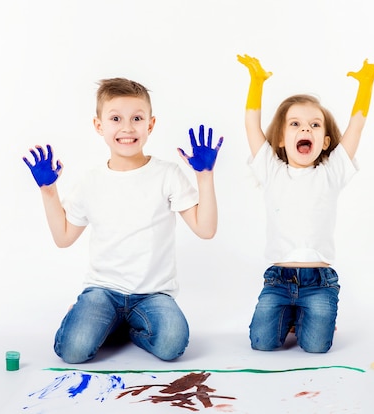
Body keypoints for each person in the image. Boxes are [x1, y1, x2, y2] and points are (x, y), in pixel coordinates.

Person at [22, 77, 224, 364]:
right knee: (74, 350)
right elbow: (64, 238)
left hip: (153, 295)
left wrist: (205, 176)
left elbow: (205, 230)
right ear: (99, 125)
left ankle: (125, 330)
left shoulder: (167, 174)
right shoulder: (90, 181)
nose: (127, 128)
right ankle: (98, 320)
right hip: (103, 291)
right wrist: (48, 190)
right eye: (116, 118)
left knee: (171, 344)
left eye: (137, 118)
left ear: (150, 125)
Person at [237, 54, 374, 353]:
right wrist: (256, 82)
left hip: (319, 282)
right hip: (278, 280)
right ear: (280, 138)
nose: (305, 130)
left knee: (316, 347)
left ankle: (308, 317)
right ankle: (291, 314)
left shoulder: (332, 172)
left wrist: (366, 84)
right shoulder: (270, 169)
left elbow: (356, 128)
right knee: (262, 344)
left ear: (326, 141)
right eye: (295, 124)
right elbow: (251, 125)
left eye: (315, 125)